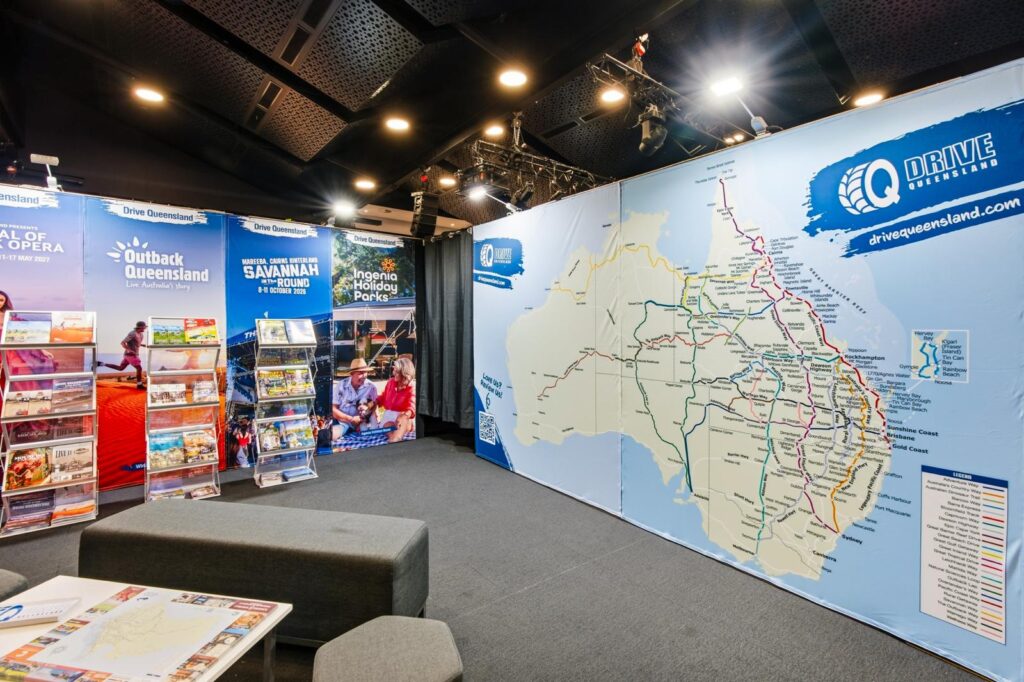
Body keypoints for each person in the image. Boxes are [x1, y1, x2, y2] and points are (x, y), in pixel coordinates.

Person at [332, 358, 378, 437]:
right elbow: (333, 409)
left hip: (363, 423)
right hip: (343, 422)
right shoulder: (341, 385)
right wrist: (351, 419)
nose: (364, 376)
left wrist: (374, 419)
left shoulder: (371, 387)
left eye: (365, 373)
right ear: (352, 374)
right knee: (332, 434)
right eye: (360, 373)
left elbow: (375, 405)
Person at [98, 320, 147, 389]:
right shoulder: (132, 333)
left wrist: (143, 345)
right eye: (144, 327)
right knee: (139, 368)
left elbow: (137, 343)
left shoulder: (141, 334)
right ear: (140, 327)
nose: (145, 328)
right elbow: (122, 343)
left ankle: (101, 364)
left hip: (129, 355)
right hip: (131, 355)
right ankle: (139, 385)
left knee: (121, 368)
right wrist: (129, 350)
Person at [377, 356, 416, 443]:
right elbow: (383, 398)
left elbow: (412, 408)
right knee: (388, 426)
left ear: (404, 373)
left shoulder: (411, 387)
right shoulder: (390, 382)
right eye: (394, 370)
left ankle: (395, 439)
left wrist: (403, 416)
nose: (393, 373)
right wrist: (373, 402)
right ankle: (395, 440)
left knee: (403, 421)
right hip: (388, 417)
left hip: (404, 417)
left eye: (396, 371)